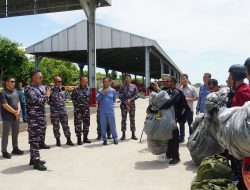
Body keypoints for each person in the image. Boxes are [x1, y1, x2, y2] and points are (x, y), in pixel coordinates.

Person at [227, 64, 250, 190]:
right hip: (236, 137)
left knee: (242, 170)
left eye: (230, 75)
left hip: (241, 141)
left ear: (235, 76)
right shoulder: (237, 91)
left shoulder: (244, 92)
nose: (228, 78)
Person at [25, 70, 51, 171]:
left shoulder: (39, 88)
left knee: (38, 138)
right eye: (40, 77)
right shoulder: (29, 88)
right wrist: (46, 95)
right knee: (34, 139)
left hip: (40, 116)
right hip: (34, 117)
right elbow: (36, 101)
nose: (41, 79)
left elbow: (45, 100)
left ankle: (33, 159)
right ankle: (36, 162)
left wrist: (46, 95)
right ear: (34, 78)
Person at [158, 74, 181, 165]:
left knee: (174, 137)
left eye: (168, 81)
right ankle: (169, 153)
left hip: (173, 118)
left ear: (173, 83)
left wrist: (159, 107)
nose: (166, 82)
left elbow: (170, 102)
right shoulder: (167, 91)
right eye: (166, 81)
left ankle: (176, 157)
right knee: (168, 137)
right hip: (166, 118)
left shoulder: (176, 92)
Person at [1, 76, 24, 159]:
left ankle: (15, 148)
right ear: (7, 83)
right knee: (5, 134)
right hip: (7, 117)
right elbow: (5, 105)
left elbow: (18, 102)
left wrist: (18, 111)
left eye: (14, 81)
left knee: (15, 133)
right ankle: (4, 151)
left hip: (16, 116)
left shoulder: (15, 92)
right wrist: (15, 112)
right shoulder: (3, 93)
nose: (14, 83)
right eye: (12, 81)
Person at [49, 76, 74, 147]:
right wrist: (54, 105)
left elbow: (67, 98)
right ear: (54, 82)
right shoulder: (50, 90)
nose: (59, 83)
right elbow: (48, 100)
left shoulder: (63, 90)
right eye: (58, 81)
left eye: (60, 81)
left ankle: (68, 140)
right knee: (56, 127)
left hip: (63, 111)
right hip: (54, 112)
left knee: (66, 126)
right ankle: (58, 140)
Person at [96, 77, 118, 145]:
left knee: (112, 125)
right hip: (102, 111)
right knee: (103, 125)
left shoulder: (113, 91)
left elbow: (114, 100)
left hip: (110, 110)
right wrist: (102, 93)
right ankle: (104, 139)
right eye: (104, 81)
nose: (105, 83)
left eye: (106, 81)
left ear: (109, 82)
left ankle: (115, 138)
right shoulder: (100, 90)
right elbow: (97, 99)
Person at [71, 76, 91, 145]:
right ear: (80, 81)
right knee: (78, 125)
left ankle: (85, 138)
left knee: (86, 124)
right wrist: (78, 106)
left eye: (86, 81)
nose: (85, 82)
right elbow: (73, 99)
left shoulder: (89, 89)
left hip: (86, 110)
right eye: (83, 81)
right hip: (78, 111)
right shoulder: (76, 90)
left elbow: (90, 99)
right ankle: (79, 139)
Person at [178, 74, 198, 142]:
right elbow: (174, 92)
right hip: (181, 110)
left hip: (189, 109)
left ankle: (191, 137)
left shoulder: (192, 88)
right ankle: (181, 137)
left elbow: (196, 97)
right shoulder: (180, 88)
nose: (182, 80)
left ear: (187, 79)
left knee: (190, 124)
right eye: (181, 79)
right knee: (181, 123)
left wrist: (187, 99)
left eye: (184, 79)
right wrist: (179, 84)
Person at [119, 74, 138, 140]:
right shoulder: (122, 86)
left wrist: (131, 99)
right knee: (123, 120)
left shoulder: (134, 86)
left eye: (128, 78)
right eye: (126, 78)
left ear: (130, 79)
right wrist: (126, 103)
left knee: (132, 119)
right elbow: (120, 96)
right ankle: (123, 135)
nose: (127, 79)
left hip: (132, 105)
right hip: (124, 105)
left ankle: (133, 134)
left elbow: (136, 95)